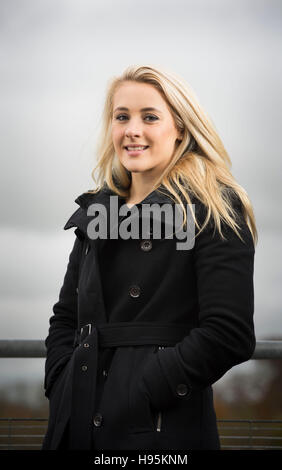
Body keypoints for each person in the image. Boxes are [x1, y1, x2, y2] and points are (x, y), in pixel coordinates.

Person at [41, 64, 258, 451]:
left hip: (158, 429)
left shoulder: (214, 208)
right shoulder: (97, 212)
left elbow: (229, 333)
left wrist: (140, 390)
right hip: (75, 420)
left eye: (150, 117)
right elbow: (66, 318)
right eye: (121, 116)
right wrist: (61, 381)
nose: (132, 130)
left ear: (180, 128)